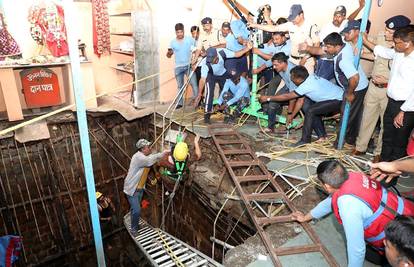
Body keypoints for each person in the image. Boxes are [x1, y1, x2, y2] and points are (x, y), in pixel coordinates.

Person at [292, 160, 414, 267]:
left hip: (400, 240)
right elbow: (330, 202)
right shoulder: (354, 176)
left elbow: (357, 249)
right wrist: (306, 217)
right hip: (408, 215)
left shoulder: (348, 206)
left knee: (378, 257)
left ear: (327, 186)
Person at [354, 16, 411, 162]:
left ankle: (381, 156)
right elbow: (381, 52)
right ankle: (362, 147)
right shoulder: (396, 50)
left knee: (390, 132)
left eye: (391, 32)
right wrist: (365, 40)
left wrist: (387, 81)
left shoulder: (406, 55)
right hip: (378, 89)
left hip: (396, 97)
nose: (386, 34)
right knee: (370, 119)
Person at [300, 32, 369, 146]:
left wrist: (350, 93)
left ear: (337, 46)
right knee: (351, 114)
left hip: (356, 88)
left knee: (347, 115)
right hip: (352, 86)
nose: (326, 49)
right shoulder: (343, 45)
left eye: (328, 47)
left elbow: (354, 78)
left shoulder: (343, 60)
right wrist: (307, 48)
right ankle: (350, 140)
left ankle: (340, 143)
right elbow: (319, 51)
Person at [259, 66, 343, 145]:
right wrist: (291, 116)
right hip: (335, 98)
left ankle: (305, 140)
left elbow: (287, 96)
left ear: (298, 78)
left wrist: (268, 98)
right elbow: (300, 101)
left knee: (311, 110)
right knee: (308, 106)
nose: (291, 80)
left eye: (292, 77)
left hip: (340, 100)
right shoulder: (309, 78)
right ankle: (322, 136)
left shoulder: (306, 85)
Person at [248, 4, 320, 74]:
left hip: (306, 62)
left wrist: (305, 58)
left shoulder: (312, 27)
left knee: (306, 84)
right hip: (292, 61)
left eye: (294, 17)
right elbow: (274, 28)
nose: (292, 20)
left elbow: (316, 46)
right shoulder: (290, 25)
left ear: (301, 15)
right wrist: (255, 25)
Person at [194, 44, 252, 124]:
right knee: (209, 93)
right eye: (209, 60)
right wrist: (199, 94)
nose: (210, 62)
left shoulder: (222, 52)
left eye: (212, 60)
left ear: (216, 56)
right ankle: (207, 114)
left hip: (222, 73)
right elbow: (202, 79)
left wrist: (247, 48)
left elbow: (237, 54)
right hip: (211, 75)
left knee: (226, 93)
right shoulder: (205, 64)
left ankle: (227, 113)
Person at [123, 139, 168, 236]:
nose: (150, 148)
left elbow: (151, 157)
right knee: (137, 209)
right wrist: (163, 153)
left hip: (139, 188)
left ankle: (134, 224)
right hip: (132, 189)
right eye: (148, 147)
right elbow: (149, 161)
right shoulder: (138, 158)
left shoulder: (144, 155)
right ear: (143, 149)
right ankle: (134, 229)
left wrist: (161, 154)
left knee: (134, 209)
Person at [317, 1, 365, 80]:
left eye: (339, 16)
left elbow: (350, 19)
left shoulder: (344, 25)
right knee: (320, 80)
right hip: (326, 60)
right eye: (335, 16)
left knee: (337, 82)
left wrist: (360, 7)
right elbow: (321, 45)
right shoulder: (326, 27)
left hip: (338, 60)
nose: (336, 18)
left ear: (344, 17)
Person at [260, 52, 297, 133]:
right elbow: (271, 62)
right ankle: (271, 119)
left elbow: (293, 97)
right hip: (287, 85)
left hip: (297, 91)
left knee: (273, 103)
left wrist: (290, 114)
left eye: (276, 65)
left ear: (283, 63)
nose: (274, 67)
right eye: (274, 65)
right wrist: (258, 69)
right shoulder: (281, 66)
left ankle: (271, 127)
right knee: (274, 97)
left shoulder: (292, 73)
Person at [167, 23, 199, 108]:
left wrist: (194, 61)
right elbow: (168, 55)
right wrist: (169, 53)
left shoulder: (189, 39)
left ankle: (197, 101)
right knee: (180, 86)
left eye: (181, 32)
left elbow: (197, 50)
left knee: (194, 84)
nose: (180, 34)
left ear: (183, 31)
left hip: (189, 66)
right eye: (178, 32)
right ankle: (180, 103)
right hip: (178, 68)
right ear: (175, 32)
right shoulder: (172, 42)